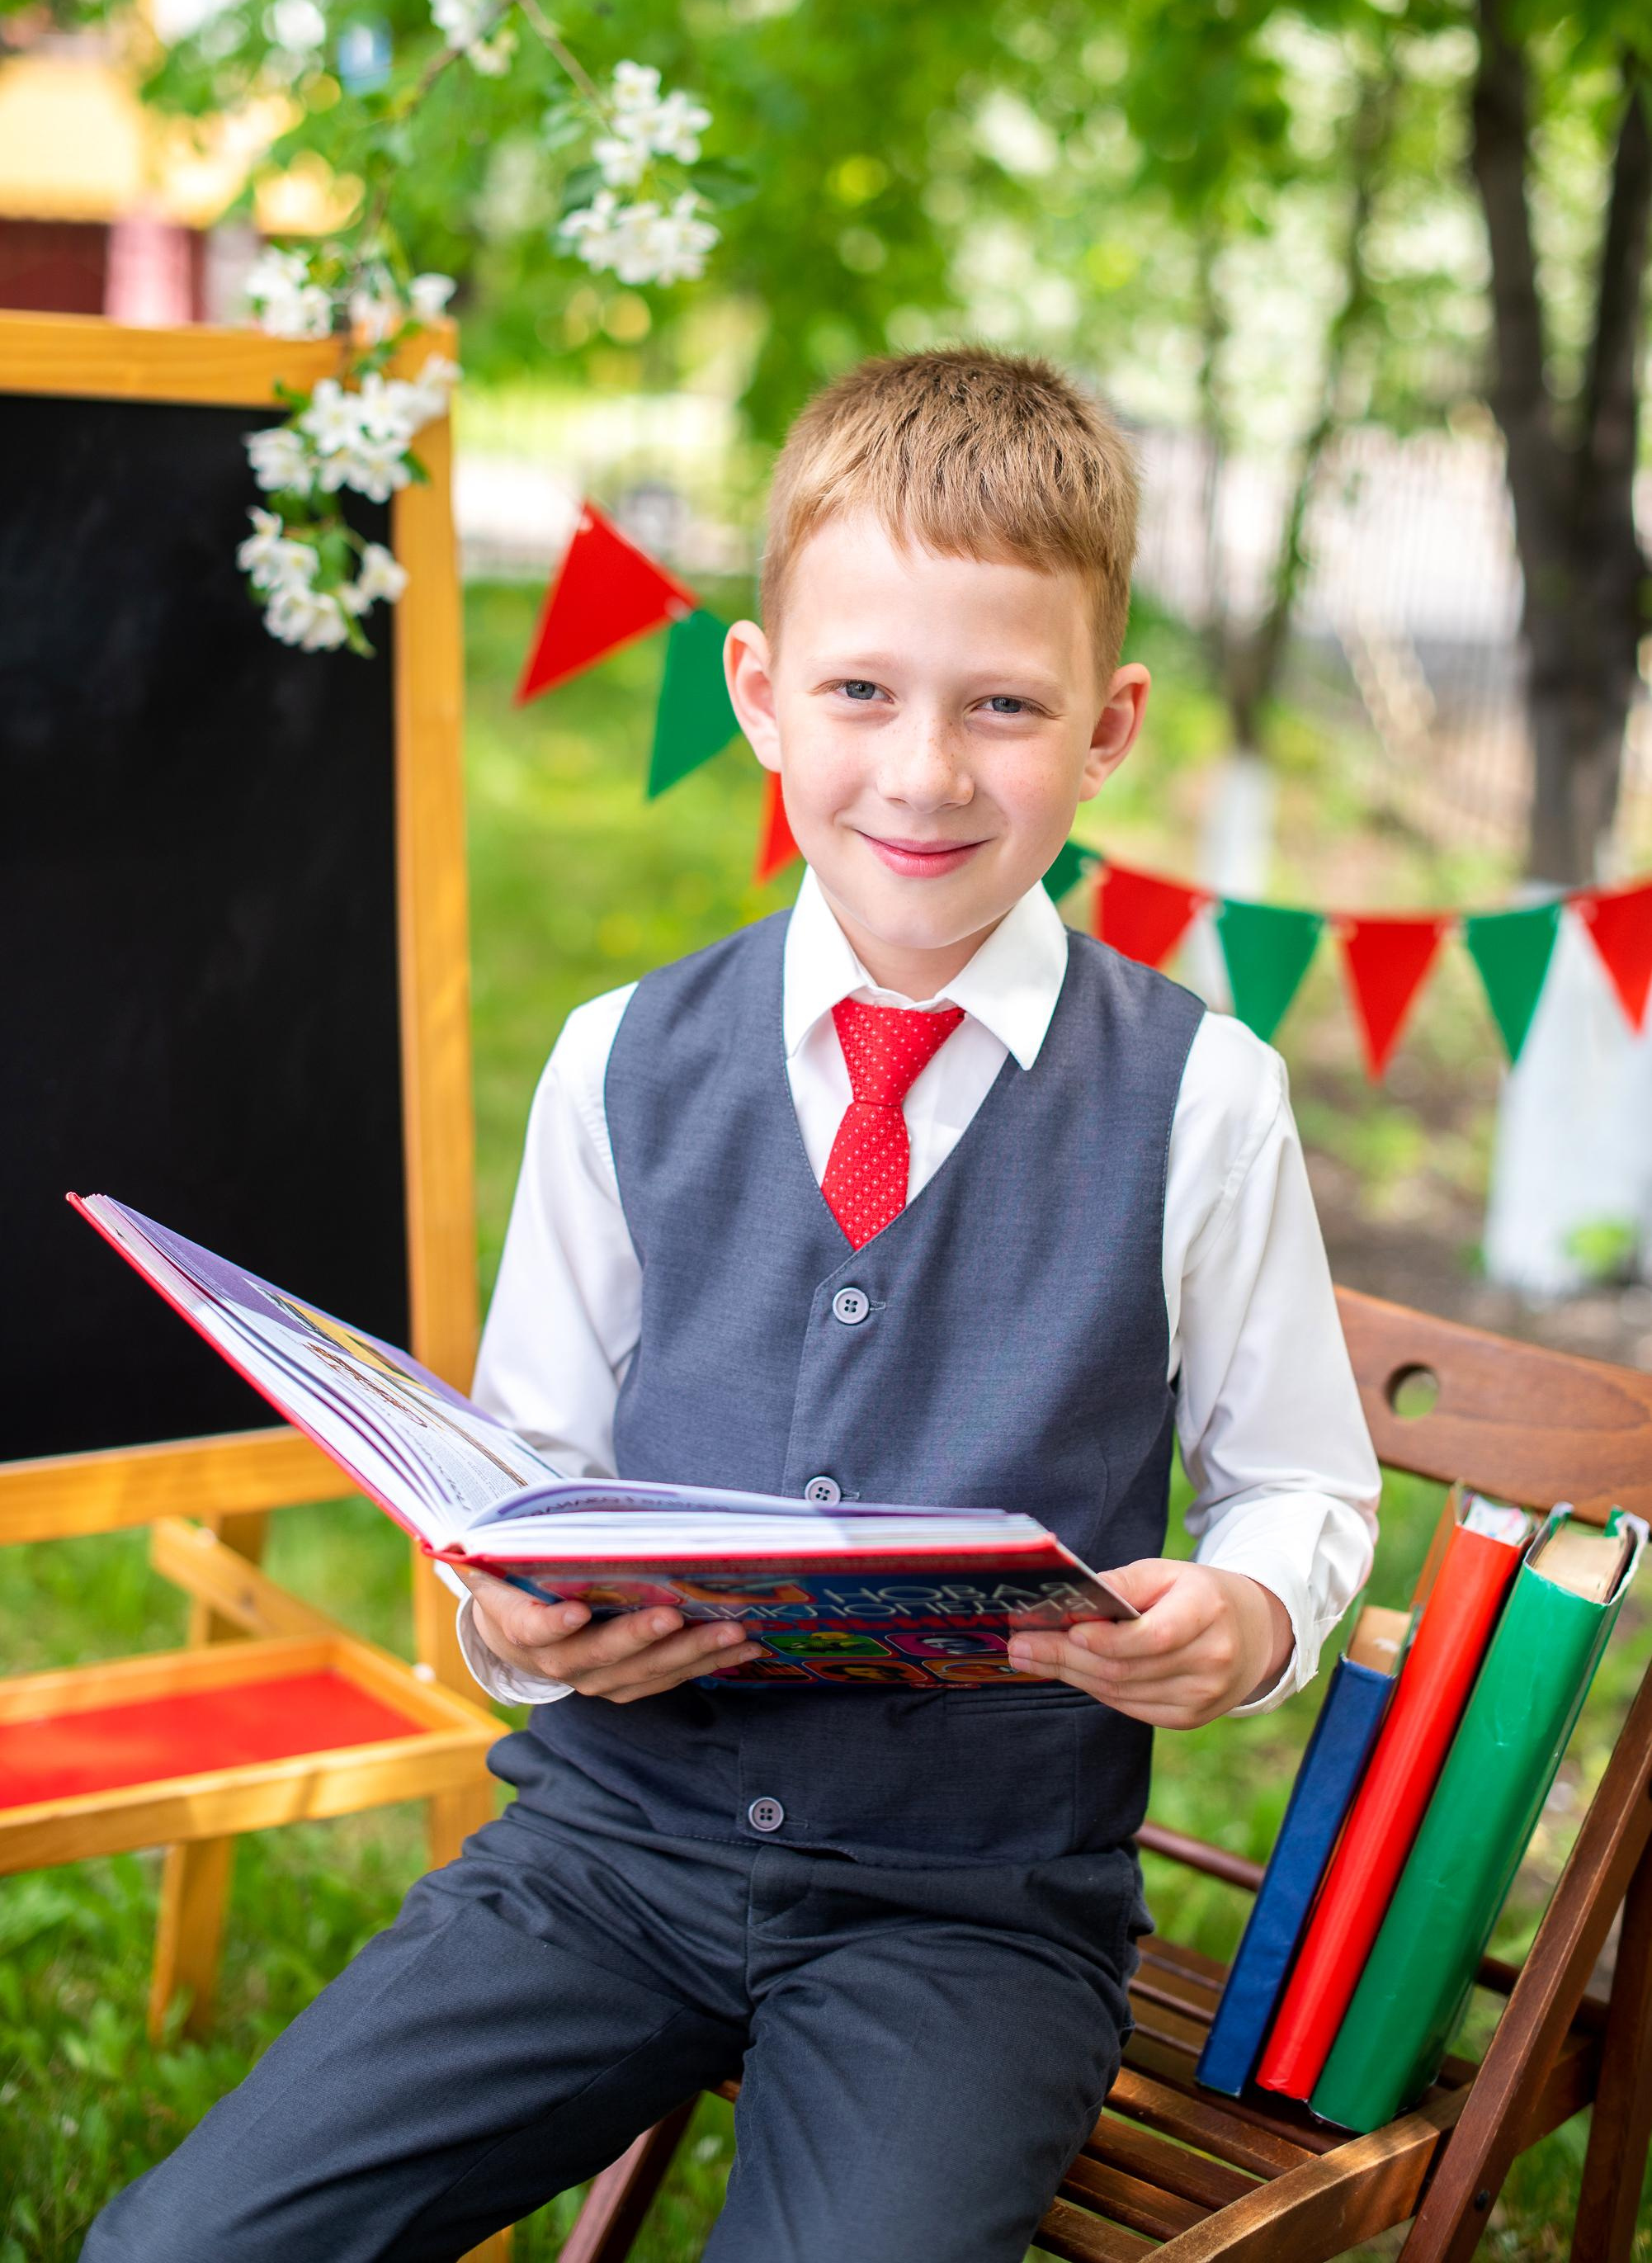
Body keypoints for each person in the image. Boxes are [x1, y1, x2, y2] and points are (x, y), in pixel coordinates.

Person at [84, 347, 1380, 2263]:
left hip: (970, 1911)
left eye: (1001, 707)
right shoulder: (619, 1061)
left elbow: (1299, 1487)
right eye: (859, 691)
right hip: (605, 1859)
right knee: (177, 2252)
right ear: (761, 697)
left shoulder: (1198, 1096)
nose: (925, 771)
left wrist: (1249, 1610)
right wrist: (518, 1623)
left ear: (1105, 728)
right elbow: (522, 1472)